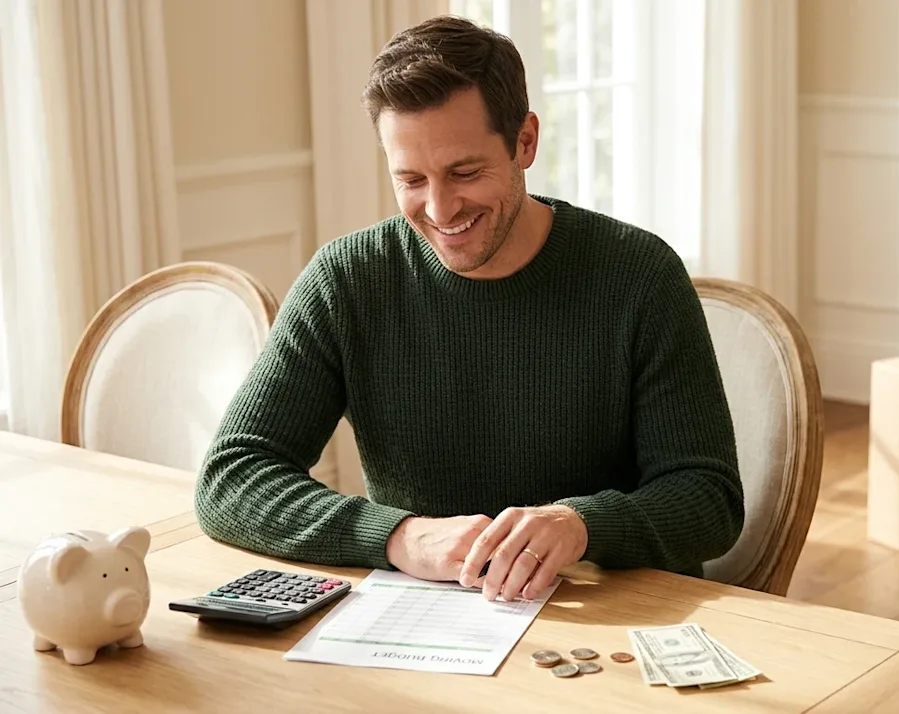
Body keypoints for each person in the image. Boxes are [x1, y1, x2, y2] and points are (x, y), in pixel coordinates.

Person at [193, 15, 743, 604]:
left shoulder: (639, 275)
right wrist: (399, 537)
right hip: (427, 621)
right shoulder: (347, 280)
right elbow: (233, 475)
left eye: (464, 172)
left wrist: (582, 526)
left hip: (610, 622)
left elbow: (709, 498)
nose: (439, 207)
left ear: (525, 141)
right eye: (410, 178)